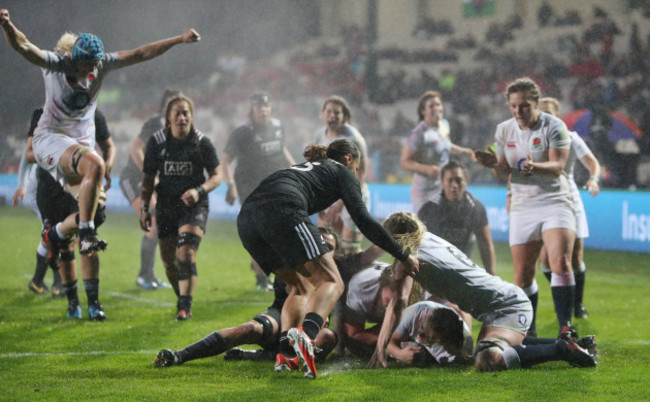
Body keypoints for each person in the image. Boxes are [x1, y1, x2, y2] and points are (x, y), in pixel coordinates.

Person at [0, 8, 200, 257]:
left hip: (76, 147)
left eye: (96, 65)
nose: (93, 70)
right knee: (95, 164)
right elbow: (25, 47)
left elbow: (140, 53)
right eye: (88, 66)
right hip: (49, 139)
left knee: (97, 211)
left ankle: (52, 236)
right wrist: (7, 26)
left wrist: (179, 39)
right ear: (74, 60)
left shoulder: (99, 65)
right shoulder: (56, 65)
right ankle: (85, 236)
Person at [236, 139, 419, 379]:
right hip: (283, 210)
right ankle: (307, 337)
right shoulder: (342, 171)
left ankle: (286, 354)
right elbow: (364, 221)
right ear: (348, 159)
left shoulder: (306, 169)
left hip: (246, 221)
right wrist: (402, 254)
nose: (355, 173)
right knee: (332, 282)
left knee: (299, 286)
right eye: (356, 167)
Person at [369, 211, 597, 372]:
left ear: (394, 239)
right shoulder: (429, 239)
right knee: (490, 350)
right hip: (500, 304)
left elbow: (397, 303)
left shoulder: (408, 259)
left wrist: (380, 349)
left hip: (509, 306)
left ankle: (561, 349)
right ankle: (572, 343)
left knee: (487, 359)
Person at [153, 227, 342, 369]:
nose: (324, 249)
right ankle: (180, 355)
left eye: (329, 246)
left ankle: (260, 356)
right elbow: (295, 289)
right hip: (281, 318)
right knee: (249, 329)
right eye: (320, 243)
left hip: (312, 331)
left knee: (329, 337)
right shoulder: (293, 262)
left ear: (336, 253)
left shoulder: (341, 271)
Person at [475, 77, 576, 336]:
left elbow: (558, 167)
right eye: (514, 106)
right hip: (523, 204)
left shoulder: (555, 127)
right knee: (522, 276)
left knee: (561, 263)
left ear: (536, 103)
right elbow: (503, 171)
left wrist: (535, 167)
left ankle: (566, 327)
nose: (519, 112)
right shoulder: (504, 130)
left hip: (554, 201)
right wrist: (491, 164)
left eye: (525, 106)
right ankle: (529, 333)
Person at [140, 94, 222, 321]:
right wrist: (145, 208)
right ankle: (182, 297)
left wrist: (199, 191)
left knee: (185, 253)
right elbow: (147, 180)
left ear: (191, 116)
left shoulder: (201, 142)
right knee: (169, 263)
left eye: (186, 113)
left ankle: (184, 306)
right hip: (166, 206)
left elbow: (217, 175)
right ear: (168, 117)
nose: (182, 117)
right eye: (177, 113)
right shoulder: (156, 143)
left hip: (194, 206)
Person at [221, 92, 295, 291]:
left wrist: (294, 168)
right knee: (259, 230)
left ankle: (261, 266)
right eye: (258, 107)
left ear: (270, 108)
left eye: (266, 106)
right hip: (249, 187)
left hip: (273, 184)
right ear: (252, 111)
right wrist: (230, 185)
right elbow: (226, 159)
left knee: (276, 229)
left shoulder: (278, 126)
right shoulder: (242, 133)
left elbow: (282, 149)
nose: (263, 110)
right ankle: (261, 278)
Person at [537, 97, 601, 319]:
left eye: (548, 112)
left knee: (574, 258)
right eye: (541, 113)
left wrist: (593, 179)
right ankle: (567, 296)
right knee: (545, 260)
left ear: (557, 116)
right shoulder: (533, 139)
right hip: (544, 201)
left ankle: (577, 304)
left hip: (570, 200)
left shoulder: (571, 138)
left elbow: (592, 162)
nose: (544, 117)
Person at [120, 89, 181, 290]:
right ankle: (144, 276)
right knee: (154, 220)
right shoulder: (156, 124)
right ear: (165, 107)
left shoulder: (180, 128)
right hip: (134, 179)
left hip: (153, 182)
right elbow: (135, 149)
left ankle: (148, 275)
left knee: (157, 225)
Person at [13, 109, 62, 296]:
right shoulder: (43, 119)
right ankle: (58, 284)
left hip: (50, 190)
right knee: (54, 234)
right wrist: (21, 186)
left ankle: (38, 281)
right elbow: (27, 155)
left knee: (54, 233)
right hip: (38, 191)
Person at [400, 90, 474, 215]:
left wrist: (464, 151)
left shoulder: (444, 125)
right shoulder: (419, 133)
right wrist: (427, 169)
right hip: (424, 191)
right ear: (424, 111)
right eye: (431, 106)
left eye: (438, 104)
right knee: (426, 230)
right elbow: (404, 162)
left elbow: (444, 144)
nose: (436, 108)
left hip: (444, 186)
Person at [417, 161, 496, 275]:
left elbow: (485, 244)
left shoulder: (475, 208)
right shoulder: (429, 209)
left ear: (465, 182)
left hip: (463, 271)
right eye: (450, 180)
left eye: (458, 180)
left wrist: (492, 276)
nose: (454, 185)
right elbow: (416, 244)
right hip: (435, 271)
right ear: (442, 183)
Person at [314, 95, 370, 253]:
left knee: (349, 249)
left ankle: (365, 274)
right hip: (330, 196)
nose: (332, 115)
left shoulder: (353, 138)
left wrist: (340, 203)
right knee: (326, 246)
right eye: (329, 111)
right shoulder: (319, 136)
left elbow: (361, 173)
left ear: (344, 116)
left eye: (337, 113)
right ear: (323, 114)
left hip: (353, 196)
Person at [386, 300, 474, 366]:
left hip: (455, 341)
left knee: (456, 362)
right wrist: (399, 354)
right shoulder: (409, 317)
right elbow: (387, 343)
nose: (420, 337)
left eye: (429, 337)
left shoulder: (465, 339)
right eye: (422, 330)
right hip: (411, 337)